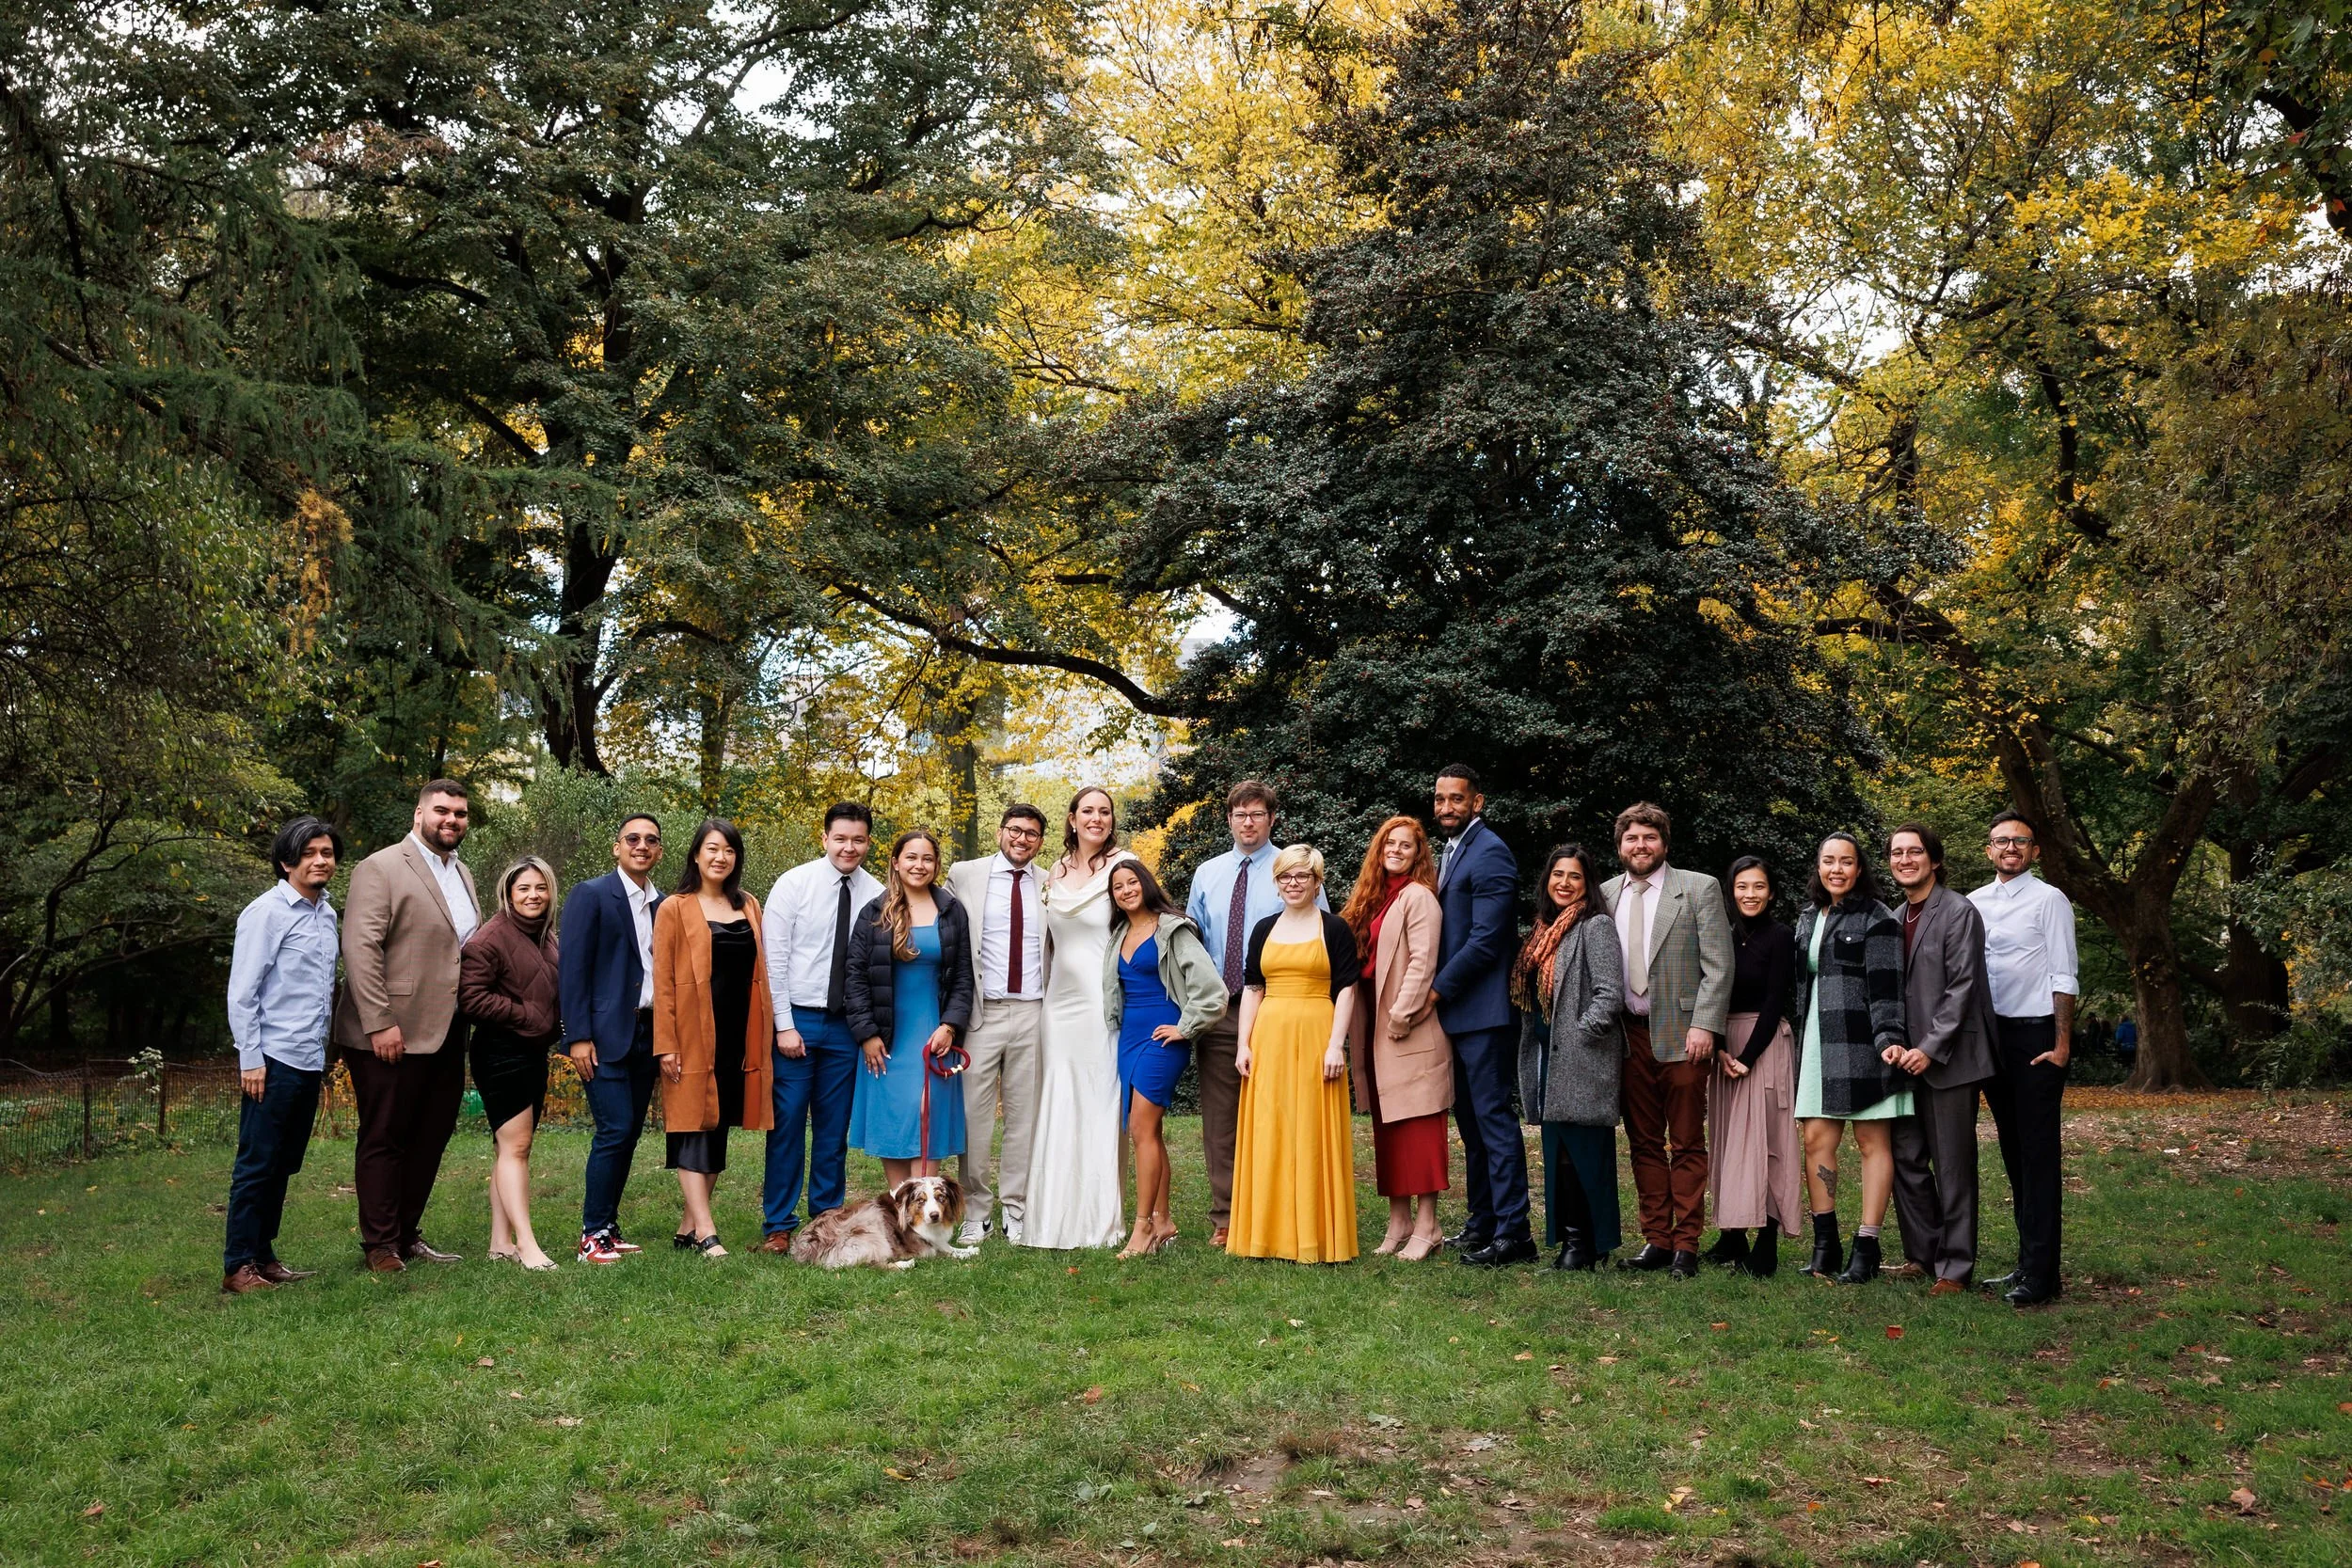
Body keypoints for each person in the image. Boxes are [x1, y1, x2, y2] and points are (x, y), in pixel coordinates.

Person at [331, 780, 480, 1273]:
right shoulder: (382, 867)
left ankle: (406, 1233)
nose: (451, 820)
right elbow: (360, 947)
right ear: (419, 813)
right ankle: (379, 1245)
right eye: (442, 810)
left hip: (447, 1030)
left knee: (431, 1135)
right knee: (385, 1136)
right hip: (389, 1032)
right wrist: (380, 1023)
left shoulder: (465, 876)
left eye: (460, 813)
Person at [1184, 780, 1322, 1250]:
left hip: (1282, 1008)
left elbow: (1319, 938)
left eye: (1257, 814)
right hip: (1222, 1009)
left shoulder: (1293, 869)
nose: (1248, 822)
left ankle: (1281, 1208)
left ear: (1272, 819)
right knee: (1221, 1119)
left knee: (1281, 1113)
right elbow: (1193, 945)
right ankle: (1226, 1215)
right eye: (1240, 814)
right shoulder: (1207, 874)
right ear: (1228, 820)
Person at [1601, 802, 1734, 1278]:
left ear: (1664, 843)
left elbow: (1719, 965)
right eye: (1632, 838)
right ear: (1620, 846)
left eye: (1649, 838)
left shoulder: (1698, 888)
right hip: (1627, 1039)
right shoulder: (1605, 895)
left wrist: (1706, 1024)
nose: (1641, 846)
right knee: (1643, 1143)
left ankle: (1687, 1243)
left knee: (1686, 1141)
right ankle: (1656, 1238)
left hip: (1684, 1037)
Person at [221, 817, 344, 1294]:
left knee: (283, 1163)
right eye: (310, 852)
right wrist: (251, 1059)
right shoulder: (266, 913)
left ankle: (264, 1256)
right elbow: (242, 994)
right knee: (257, 1163)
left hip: (307, 1060)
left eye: (327, 853)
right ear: (287, 860)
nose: (320, 860)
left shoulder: (326, 914)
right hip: (271, 1061)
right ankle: (237, 1267)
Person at [757, 803, 882, 1253]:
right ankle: (779, 1224)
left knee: (833, 1130)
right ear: (825, 837)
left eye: (859, 839)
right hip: (799, 1020)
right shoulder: (794, 884)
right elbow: (774, 960)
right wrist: (784, 1026)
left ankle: (826, 1220)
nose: (850, 847)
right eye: (841, 838)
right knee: (787, 1124)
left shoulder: (877, 894)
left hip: (847, 1027)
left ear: (868, 842)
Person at [1968, 808, 2080, 1308]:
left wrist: (2061, 1044)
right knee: (2012, 1152)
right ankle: (2026, 1262)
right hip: (1990, 1037)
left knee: (2037, 1156)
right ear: (1988, 850)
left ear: (2034, 851)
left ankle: (2043, 1273)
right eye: (2001, 841)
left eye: (2020, 841)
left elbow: (2063, 973)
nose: (2010, 848)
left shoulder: (2049, 900)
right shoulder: (1971, 904)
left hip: (2036, 1037)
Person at [1229, 845, 1360, 1263]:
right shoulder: (1264, 928)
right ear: (1277, 881)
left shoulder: (1335, 928)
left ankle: (1314, 1236)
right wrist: (1243, 1044)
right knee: (1271, 1128)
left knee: (1311, 1129)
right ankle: (1265, 1234)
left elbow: (1346, 990)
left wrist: (1335, 1045)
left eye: (1302, 876)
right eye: (1286, 876)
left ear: (1317, 882)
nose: (1293, 883)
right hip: (1269, 1037)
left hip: (1317, 1032)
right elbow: (1252, 988)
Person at [652, 818, 777, 1259]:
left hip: (739, 1033)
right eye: (712, 848)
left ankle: (687, 1226)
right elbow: (663, 981)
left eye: (729, 850)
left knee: (718, 1123)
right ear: (695, 854)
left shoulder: (749, 906)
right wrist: (665, 1043)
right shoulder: (674, 908)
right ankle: (706, 1230)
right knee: (691, 1125)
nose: (720, 857)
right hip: (691, 1033)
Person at [1792, 832, 1912, 1284]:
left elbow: (1886, 987)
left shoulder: (1877, 918)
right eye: (1828, 861)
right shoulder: (1808, 917)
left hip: (1865, 1042)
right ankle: (1826, 1245)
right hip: (1818, 1044)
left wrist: (1889, 1039)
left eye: (1846, 862)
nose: (1836, 869)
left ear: (1859, 869)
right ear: (1818, 868)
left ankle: (1867, 1246)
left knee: (1870, 1144)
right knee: (1816, 1142)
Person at [1023, 786, 1137, 1250]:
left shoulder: (1123, 865)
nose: (1096, 818)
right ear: (1071, 818)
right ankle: (1052, 1214)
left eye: (1104, 812)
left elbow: (1145, 922)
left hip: (1102, 999)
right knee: (1060, 1096)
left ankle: (1100, 1216)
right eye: (1087, 811)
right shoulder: (1053, 871)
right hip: (1060, 1003)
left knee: (1100, 1100)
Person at [1884, 824, 1997, 1295]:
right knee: (1905, 1159)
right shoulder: (1892, 917)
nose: (1905, 859)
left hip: (1948, 1061)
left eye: (1915, 852)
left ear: (1934, 859)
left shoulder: (1958, 912)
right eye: (1897, 853)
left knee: (1952, 1164)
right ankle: (1922, 1253)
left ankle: (1954, 1266)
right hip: (1900, 1061)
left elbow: (1962, 989)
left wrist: (1928, 1049)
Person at [1429, 765, 1534, 1267]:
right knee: (1469, 1122)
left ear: (1478, 802)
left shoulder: (1490, 851)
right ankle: (1482, 1223)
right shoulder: (1453, 852)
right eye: (1440, 799)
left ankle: (1515, 1233)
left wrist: (1437, 990)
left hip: (1485, 1011)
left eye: (1456, 799)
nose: (1447, 807)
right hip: (1460, 1012)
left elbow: (1488, 939)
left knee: (1493, 1121)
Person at [1338, 816, 1453, 1260]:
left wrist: (1403, 1014)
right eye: (1390, 842)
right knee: (1389, 1130)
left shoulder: (1419, 897)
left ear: (1419, 853)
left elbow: (1423, 962)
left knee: (1420, 1128)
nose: (1397, 850)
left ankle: (1429, 1224)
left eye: (1407, 845)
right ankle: (1399, 1220)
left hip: (1407, 1027)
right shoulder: (1372, 898)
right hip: (1374, 1025)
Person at [1103, 859, 1227, 1259]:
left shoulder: (1173, 928)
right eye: (1117, 886)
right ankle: (1163, 1219)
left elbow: (1211, 989)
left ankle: (1141, 1231)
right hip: (1130, 1037)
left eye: (1132, 882)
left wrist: (1185, 1027)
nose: (1126, 890)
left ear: (1146, 884)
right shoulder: (1119, 931)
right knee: (1146, 1133)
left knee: (1141, 1129)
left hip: (1163, 1037)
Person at [1512, 845, 1626, 1272]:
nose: (1564, 883)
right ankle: (1575, 1242)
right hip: (1545, 1057)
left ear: (1587, 883)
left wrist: (1581, 1035)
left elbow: (1609, 993)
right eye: (1557, 874)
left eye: (1574, 876)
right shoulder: (1542, 929)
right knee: (1557, 1149)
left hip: (1581, 1058)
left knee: (1583, 1152)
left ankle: (1583, 1244)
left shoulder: (1595, 926)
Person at [558, 814, 665, 1264]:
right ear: (616, 847)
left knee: (628, 1132)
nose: (642, 846)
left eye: (651, 841)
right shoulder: (592, 894)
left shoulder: (665, 904)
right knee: (615, 1129)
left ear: (659, 851)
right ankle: (591, 1235)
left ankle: (608, 1227)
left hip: (648, 1031)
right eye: (633, 839)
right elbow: (573, 969)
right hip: (603, 1036)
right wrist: (577, 1036)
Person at [846, 829, 977, 1186]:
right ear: (896, 862)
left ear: (936, 865)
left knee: (927, 1117)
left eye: (928, 859)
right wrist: (867, 1034)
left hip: (934, 1032)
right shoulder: (874, 913)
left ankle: (924, 1214)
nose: (919, 865)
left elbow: (964, 977)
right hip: (887, 1036)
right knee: (895, 1118)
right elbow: (855, 976)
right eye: (911, 857)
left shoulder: (951, 911)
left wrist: (950, 1025)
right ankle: (898, 1205)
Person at [945, 804, 1049, 1246]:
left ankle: (1017, 1206)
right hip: (981, 1011)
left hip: (1034, 1010)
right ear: (1000, 832)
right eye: (1015, 831)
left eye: (1031, 834)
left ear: (1041, 840)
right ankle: (977, 1208)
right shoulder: (965, 874)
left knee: (1026, 1115)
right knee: (974, 1116)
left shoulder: (1052, 881)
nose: (1021, 839)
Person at [459, 858, 563, 1271]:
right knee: (517, 1148)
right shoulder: (490, 939)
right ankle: (527, 1245)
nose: (533, 895)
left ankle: (499, 1242)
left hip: (532, 1052)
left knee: (509, 1148)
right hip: (501, 1053)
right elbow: (470, 998)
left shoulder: (547, 938)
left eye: (541, 887)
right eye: (524, 888)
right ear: (508, 893)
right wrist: (528, 1016)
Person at [1702, 856, 1802, 1277]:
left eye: (1759, 886)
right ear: (1731, 891)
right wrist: (1721, 1049)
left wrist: (1747, 1057)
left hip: (1764, 1046)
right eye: (1742, 886)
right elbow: (1712, 992)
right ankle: (1732, 1236)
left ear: (1772, 892)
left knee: (1769, 1141)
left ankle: (1766, 1246)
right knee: (1728, 1141)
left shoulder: (1781, 937)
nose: (1750, 894)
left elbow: (1776, 999)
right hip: (1725, 1049)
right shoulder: (1722, 936)